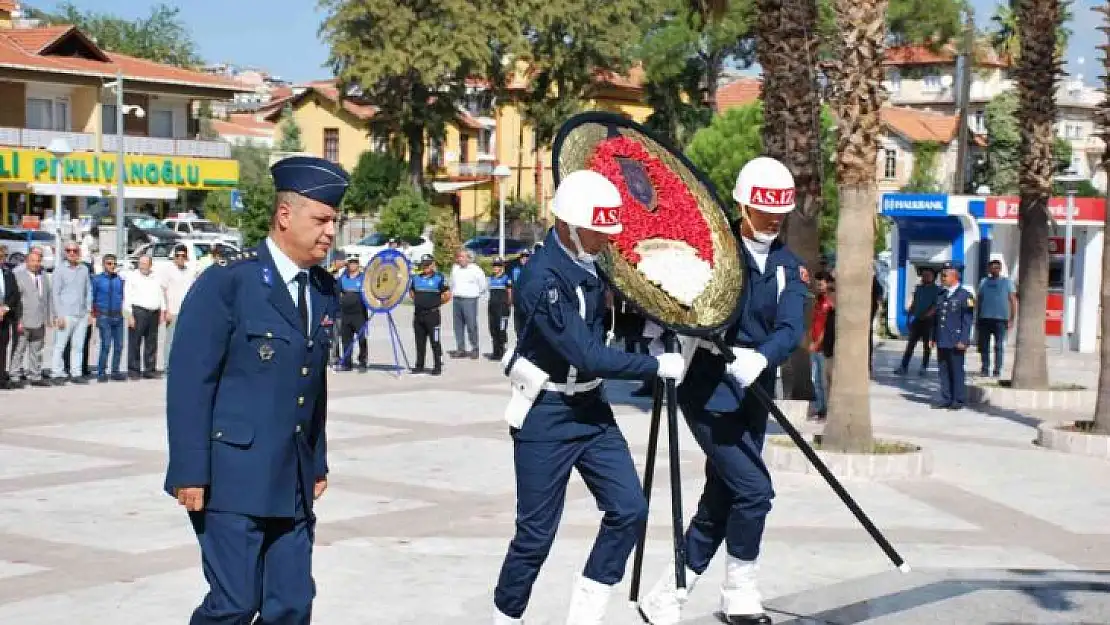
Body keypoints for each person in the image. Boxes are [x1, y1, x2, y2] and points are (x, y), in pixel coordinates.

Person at [491, 169, 687, 625]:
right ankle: (506, 617)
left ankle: (586, 612)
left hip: (591, 407)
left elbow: (610, 323)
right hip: (547, 410)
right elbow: (587, 352)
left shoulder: (591, 267)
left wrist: (652, 332)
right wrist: (653, 366)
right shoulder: (541, 279)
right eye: (598, 232)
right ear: (568, 226)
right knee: (536, 534)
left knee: (629, 509)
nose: (605, 240)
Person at [164, 155, 348, 625]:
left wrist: (318, 460)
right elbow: (190, 383)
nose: (330, 231)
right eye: (321, 219)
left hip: (293, 477)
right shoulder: (229, 283)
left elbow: (312, 385)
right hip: (231, 476)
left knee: (291, 605)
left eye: (335, 221)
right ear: (285, 216)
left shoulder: (323, 289)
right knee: (234, 605)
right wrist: (190, 471)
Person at [639, 156, 807, 625]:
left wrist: (762, 356)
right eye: (762, 210)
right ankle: (740, 590)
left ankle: (668, 595)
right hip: (709, 389)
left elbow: (792, 326)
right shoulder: (714, 253)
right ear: (741, 204)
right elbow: (675, 295)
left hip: (756, 392)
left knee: (722, 498)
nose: (772, 221)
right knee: (755, 491)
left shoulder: (787, 267)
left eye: (779, 213)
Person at [930, 261, 974, 411]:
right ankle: (946, 398)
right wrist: (933, 337)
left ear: (955, 276)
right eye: (942, 275)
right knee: (943, 370)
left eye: (945, 275)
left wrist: (964, 340)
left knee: (956, 370)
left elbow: (967, 321)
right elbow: (936, 319)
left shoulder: (965, 296)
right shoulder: (941, 294)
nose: (942, 278)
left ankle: (958, 400)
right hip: (942, 339)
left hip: (956, 341)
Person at [409, 254, 451, 375]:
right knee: (419, 342)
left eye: (428, 264)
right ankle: (419, 365)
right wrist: (419, 301)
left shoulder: (439, 278)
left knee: (435, 341)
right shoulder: (416, 278)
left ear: (432, 264)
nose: (426, 267)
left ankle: (437, 366)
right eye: (424, 264)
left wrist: (436, 304)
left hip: (432, 315)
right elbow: (412, 292)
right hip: (418, 315)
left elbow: (447, 295)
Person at [895, 267, 940, 376]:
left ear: (933, 277)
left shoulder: (937, 290)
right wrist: (909, 317)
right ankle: (903, 366)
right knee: (910, 344)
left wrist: (927, 315)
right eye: (924, 275)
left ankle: (924, 367)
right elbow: (914, 303)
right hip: (917, 320)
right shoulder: (919, 288)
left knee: (927, 346)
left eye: (928, 275)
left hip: (929, 321)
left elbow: (936, 305)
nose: (925, 277)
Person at [975, 259, 1016, 377]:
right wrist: (977, 318)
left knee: (998, 346)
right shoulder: (983, 282)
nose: (994, 270)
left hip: (1001, 320)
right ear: (989, 269)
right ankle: (985, 368)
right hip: (985, 318)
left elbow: (1013, 300)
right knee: (984, 346)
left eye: (997, 267)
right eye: (992, 267)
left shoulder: (1007, 282)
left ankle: (997, 370)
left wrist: (1012, 319)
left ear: (1000, 269)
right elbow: (979, 300)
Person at [90, 254, 126, 382]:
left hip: (118, 316)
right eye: (109, 263)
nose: (112, 266)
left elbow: (123, 297)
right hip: (104, 316)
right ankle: (101, 372)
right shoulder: (97, 280)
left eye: (114, 264)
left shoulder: (119, 280)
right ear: (104, 265)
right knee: (105, 345)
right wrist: (93, 314)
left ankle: (115, 371)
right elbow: (92, 298)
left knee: (119, 345)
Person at [809, 271, 835, 421]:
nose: (819, 286)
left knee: (823, 381)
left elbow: (826, 327)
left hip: (821, 348)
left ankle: (825, 410)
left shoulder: (829, 303)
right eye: (817, 284)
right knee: (815, 380)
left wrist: (817, 343)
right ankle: (820, 408)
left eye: (821, 283)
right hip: (814, 346)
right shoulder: (818, 301)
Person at [337, 255, 369, 370]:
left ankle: (362, 361)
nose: (353, 265)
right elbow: (337, 293)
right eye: (351, 263)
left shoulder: (363, 278)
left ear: (358, 264)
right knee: (346, 339)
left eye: (355, 262)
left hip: (359, 314)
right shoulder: (343, 278)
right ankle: (347, 363)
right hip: (346, 314)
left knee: (361, 339)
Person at [0, 245, 21, 390]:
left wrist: (5, 308)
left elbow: (14, 293)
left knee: (2, 349)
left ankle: (1, 378)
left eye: (3, 256)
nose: (2, 259)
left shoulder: (8, 273)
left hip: (4, 316)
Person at [487, 257, 512, 360]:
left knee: (501, 330)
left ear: (502, 267)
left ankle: (502, 351)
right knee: (493, 329)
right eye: (494, 265)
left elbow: (510, 292)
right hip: (492, 307)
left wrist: (508, 304)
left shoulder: (506, 278)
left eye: (497, 265)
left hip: (502, 308)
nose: (495, 267)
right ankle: (495, 351)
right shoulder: (491, 278)